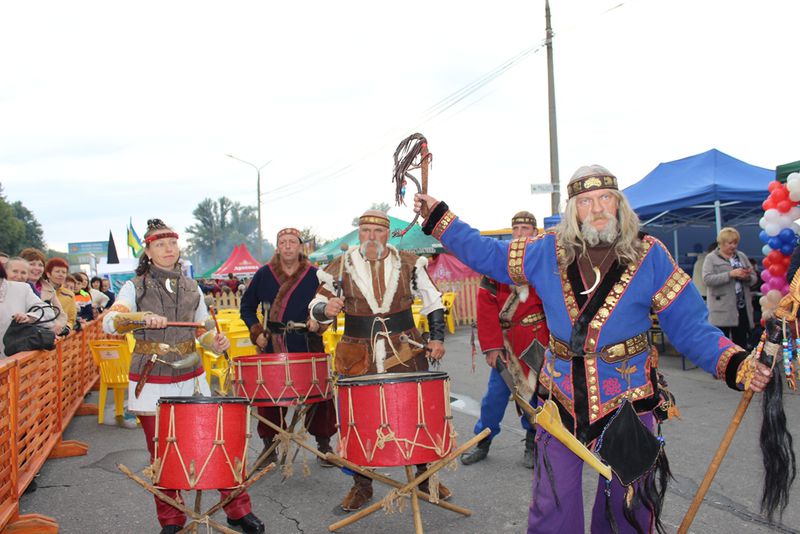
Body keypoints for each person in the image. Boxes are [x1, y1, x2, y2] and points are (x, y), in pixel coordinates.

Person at [414, 165, 775, 534]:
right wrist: (441, 217)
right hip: (560, 400)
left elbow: (690, 327)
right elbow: (487, 253)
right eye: (586, 201)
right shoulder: (546, 251)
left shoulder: (650, 255)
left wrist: (736, 363)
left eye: (606, 198)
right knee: (552, 503)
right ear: (573, 209)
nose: (597, 208)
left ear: (619, 205)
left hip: (629, 400)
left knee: (629, 505)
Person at [102, 219, 264, 534]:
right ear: (147, 251)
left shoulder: (192, 287)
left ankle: (237, 510)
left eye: (172, 244)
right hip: (151, 383)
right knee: (162, 453)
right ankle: (172, 520)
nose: (168, 249)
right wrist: (139, 317)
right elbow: (111, 320)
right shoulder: (133, 286)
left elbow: (204, 331)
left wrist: (215, 342)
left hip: (193, 377)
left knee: (216, 442)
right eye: (160, 244)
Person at [308, 209, 448, 512]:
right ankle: (361, 484)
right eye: (365, 231)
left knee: (416, 413)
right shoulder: (340, 265)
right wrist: (326, 309)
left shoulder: (410, 262)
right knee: (358, 420)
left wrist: (436, 337)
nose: (371, 237)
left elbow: (433, 301)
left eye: (378, 231)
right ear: (359, 233)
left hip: (405, 348)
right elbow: (316, 305)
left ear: (388, 234)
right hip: (356, 353)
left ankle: (426, 477)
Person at [239, 227, 337, 466]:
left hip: (307, 341)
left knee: (321, 395)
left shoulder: (316, 274)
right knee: (269, 396)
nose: (288, 246)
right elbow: (246, 307)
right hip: (273, 342)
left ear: (300, 246)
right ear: (277, 247)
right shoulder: (264, 274)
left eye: (292, 241)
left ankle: (324, 445)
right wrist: (256, 331)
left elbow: (328, 306)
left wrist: (319, 321)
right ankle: (269, 445)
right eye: (283, 242)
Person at [460, 211, 550, 468]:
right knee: (494, 397)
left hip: (537, 340)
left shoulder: (544, 261)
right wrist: (491, 347)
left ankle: (533, 442)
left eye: (526, 228)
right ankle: (483, 441)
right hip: (506, 342)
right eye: (517, 228)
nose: (521, 233)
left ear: (535, 232)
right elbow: (486, 308)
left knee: (536, 397)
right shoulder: (496, 264)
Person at [702, 227, 757, 350]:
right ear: (721, 243)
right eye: (730, 243)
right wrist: (730, 275)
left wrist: (746, 276)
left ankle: (740, 368)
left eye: (735, 243)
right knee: (722, 345)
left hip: (741, 308)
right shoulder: (711, 258)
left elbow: (754, 278)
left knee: (741, 344)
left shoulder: (741, 256)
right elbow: (707, 279)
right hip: (722, 309)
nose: (733, 246)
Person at [0, 262, 55, 358]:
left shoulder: (21, 289)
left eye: (23, 272)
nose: (18, 275)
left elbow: (48, 313)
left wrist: (29, 317)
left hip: (15, 362)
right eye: (15, 271)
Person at [44, 258, 76, 336]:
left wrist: (67, 328)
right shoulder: (39, 290)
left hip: (61, 337)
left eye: (64, 272)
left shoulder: (70, 295)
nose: (61, 274)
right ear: (48, 274)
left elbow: (71, 319)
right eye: (57, 271)